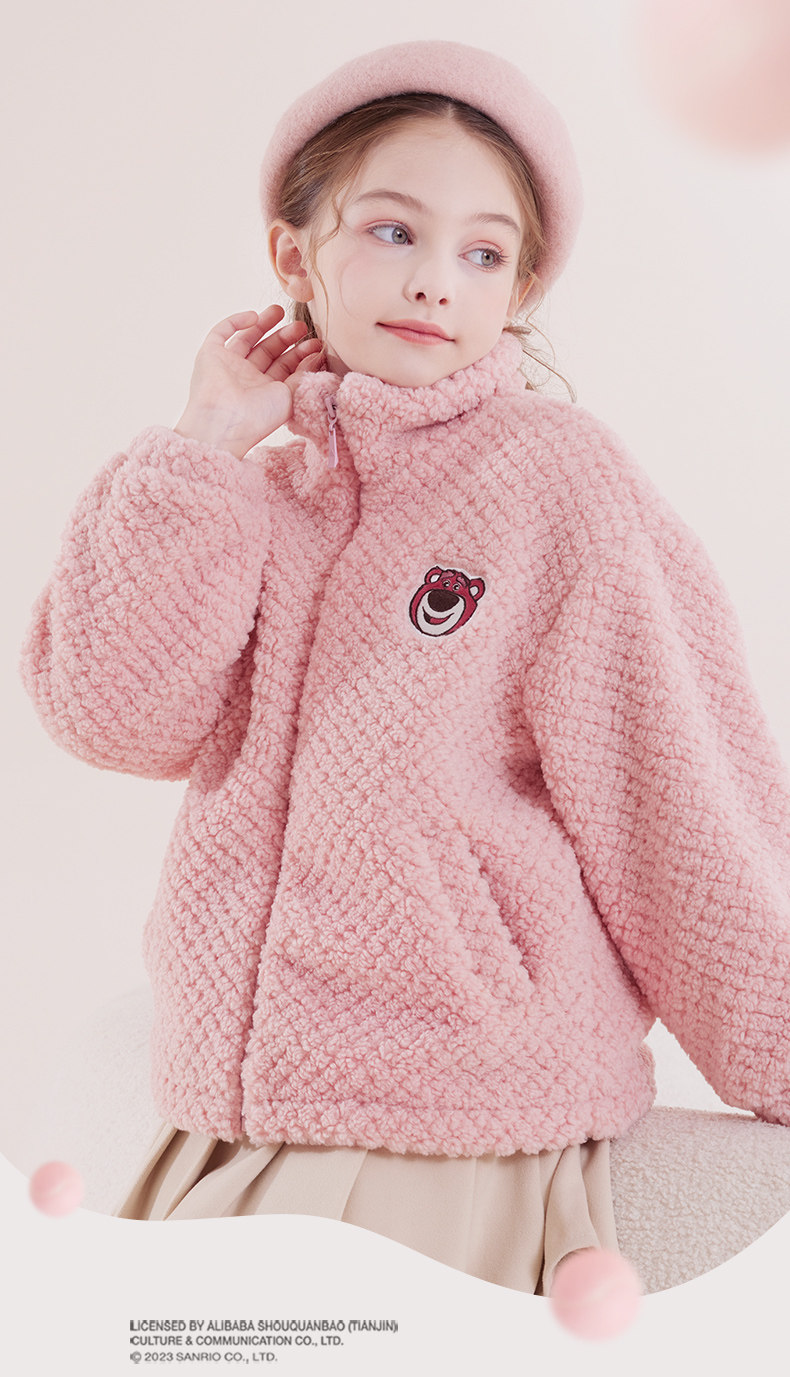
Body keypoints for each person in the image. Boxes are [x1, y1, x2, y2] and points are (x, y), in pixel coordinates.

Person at [18, 38, 790, 1298]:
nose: (436, 278)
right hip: (224, 1110)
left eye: (484, 254)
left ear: (519, 289)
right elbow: (109, 717)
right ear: (294, 257)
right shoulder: (246, 499)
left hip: (451, 1115)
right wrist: (202, 445)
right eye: (392, 231)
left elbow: (676, 794)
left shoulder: (553, 482)